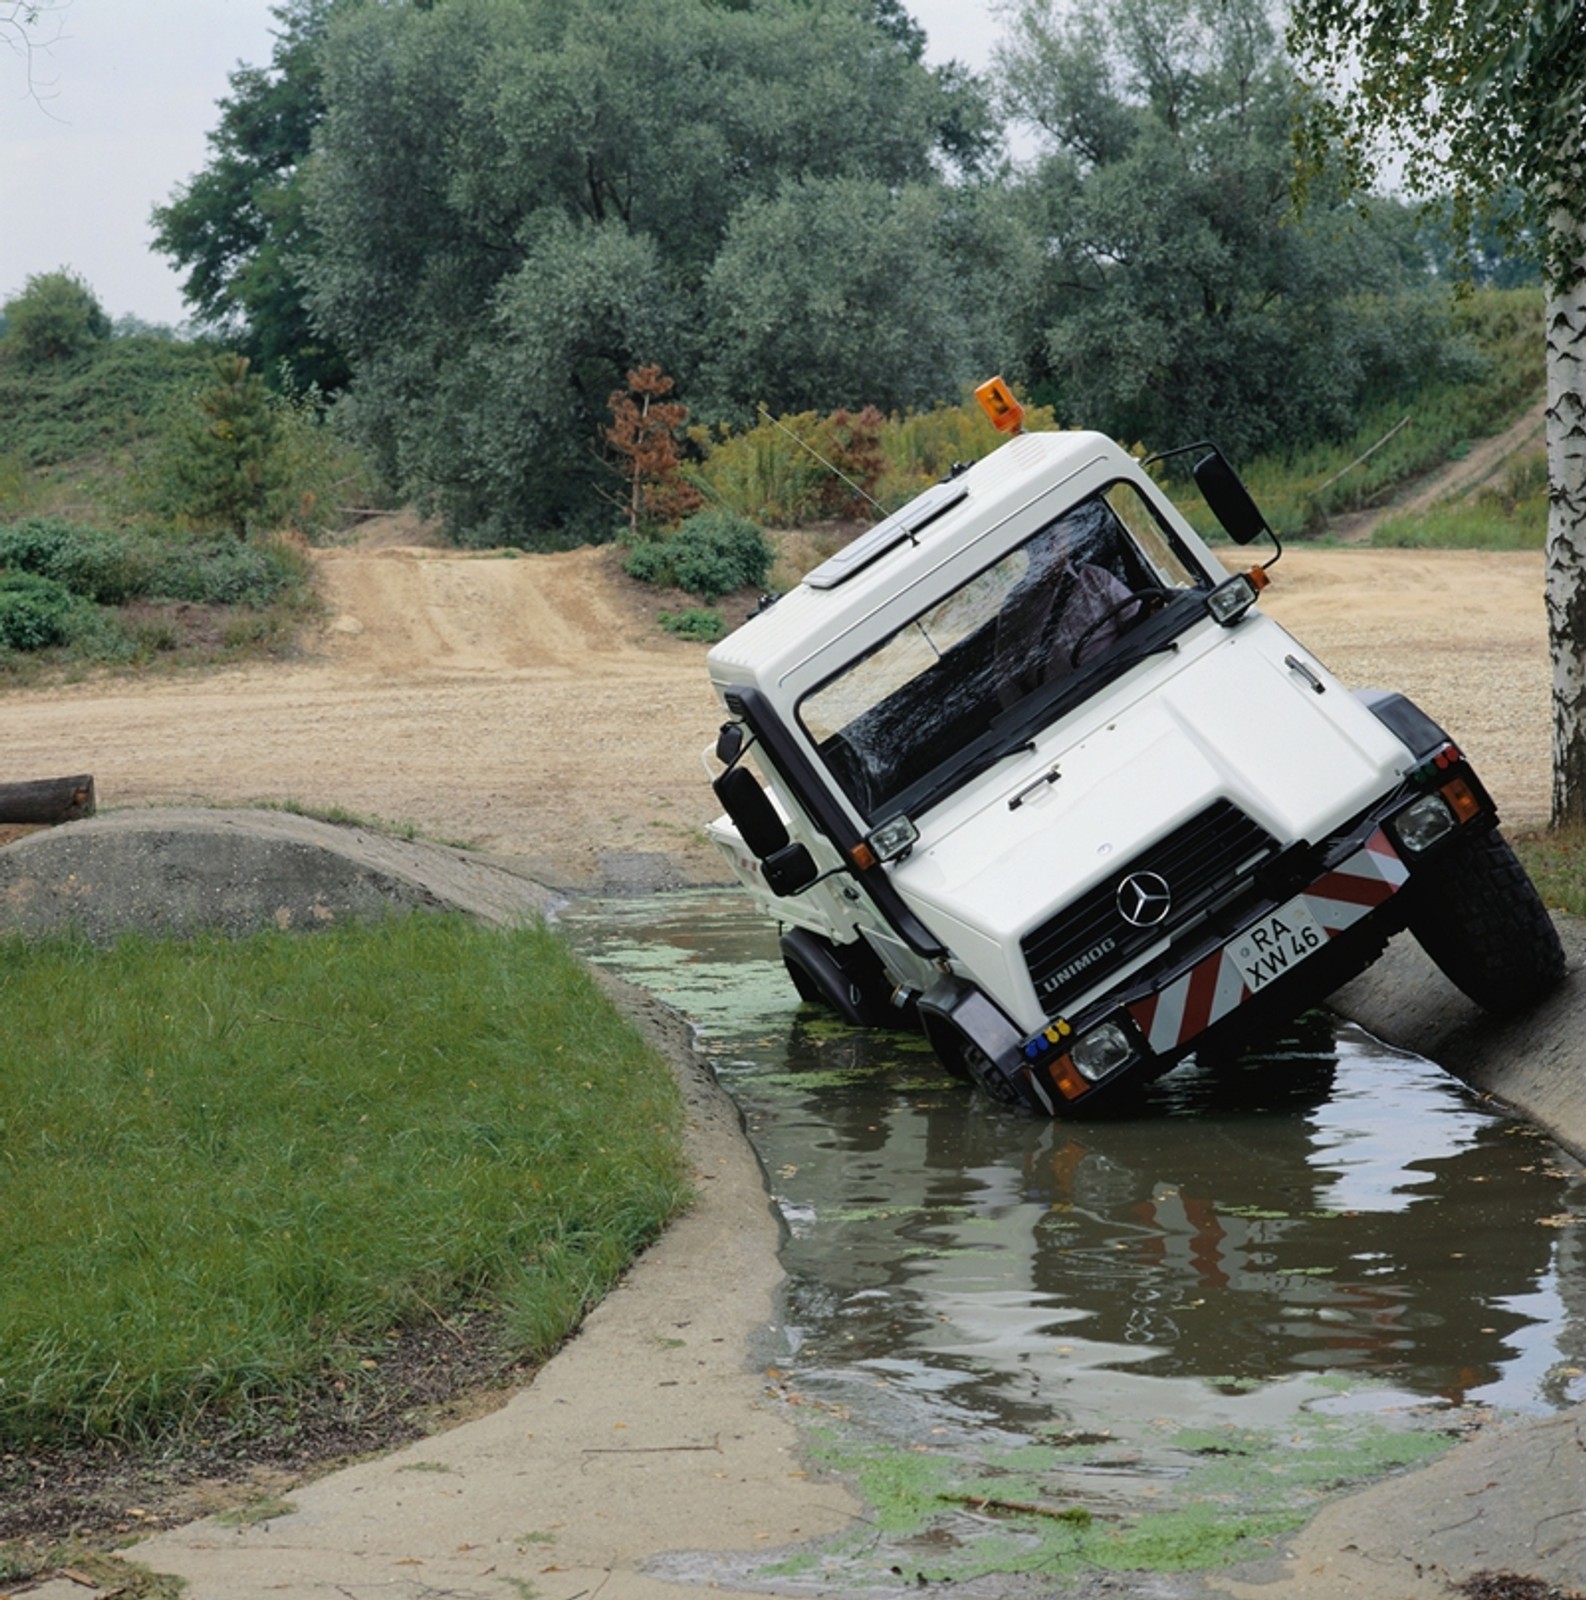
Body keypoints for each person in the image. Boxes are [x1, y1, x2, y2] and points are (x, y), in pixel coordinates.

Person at [994, 504, 1141, 707]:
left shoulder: (1096, 579)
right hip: (1061, 714)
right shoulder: (1015, 610)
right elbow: (1009, 690)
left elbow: (1142, 624)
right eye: (1044, 539)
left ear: (1069, 535)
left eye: (1057, 536)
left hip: (1122, 688)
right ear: (1029, 545)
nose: (1052, 545)